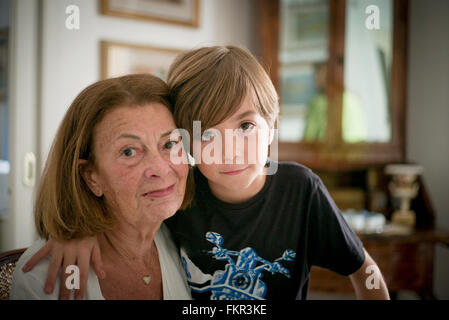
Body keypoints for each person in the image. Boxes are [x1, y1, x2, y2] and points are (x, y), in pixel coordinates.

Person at [23, 46, 389, 300]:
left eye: (246, 126)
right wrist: (75, 232)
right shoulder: (180, 193)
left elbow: (364, 271)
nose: (230, 149)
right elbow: (119, 217)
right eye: (208, 134)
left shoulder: (300, 190)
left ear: (272, 126)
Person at [11, 74, 192, 300]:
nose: (161, 168)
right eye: (129, 151)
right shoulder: (43, 279)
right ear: (91, 177)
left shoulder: (187, 240)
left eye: (169, 144)